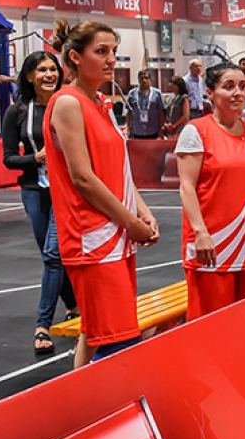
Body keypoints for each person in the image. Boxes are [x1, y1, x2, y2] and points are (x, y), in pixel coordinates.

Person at [46, 19, 160, 365]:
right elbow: (83, 177)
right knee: (117, 341)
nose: (111, 59)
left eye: (113, 51)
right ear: (75, 57)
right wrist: (131, 222)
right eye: (101, 51)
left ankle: (82, 407)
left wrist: (142, 209)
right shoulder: (68, 103)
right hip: (93, 235)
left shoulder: (100, 103)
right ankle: (110, 410)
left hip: (114, 233)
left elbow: (118, 169)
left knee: (98, 331)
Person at [176, 62, 245, 317]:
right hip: (212, 246)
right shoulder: (196, 130)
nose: (238, 93)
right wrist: (200, 233)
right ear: (210, 93)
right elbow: (186, 186)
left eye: (242, 86)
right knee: (211, 330)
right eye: (228, 86)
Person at [3, 50, 78, 356]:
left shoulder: (68, 105)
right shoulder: (18, 111)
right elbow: (8, 158)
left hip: (67, 190)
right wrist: (35, 158)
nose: (49, 74)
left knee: (52, 254)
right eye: (42, 70)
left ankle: (42, 324)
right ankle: (73, 306)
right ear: (30, 76)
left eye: (53, 69)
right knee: (51, 256)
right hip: (35, 190)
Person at [126, 70, 165, 139]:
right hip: (137, 130)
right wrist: (128, 127)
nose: (144, 80)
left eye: (146, 78)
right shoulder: (132, 93)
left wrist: (162, 127)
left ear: (150, 80)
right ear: (138, 80)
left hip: (153, 130)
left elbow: (161, 111)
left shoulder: (157, 93)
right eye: (142, 78)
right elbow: (129, 112)